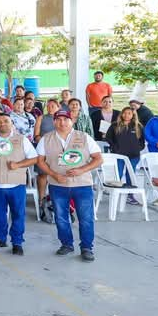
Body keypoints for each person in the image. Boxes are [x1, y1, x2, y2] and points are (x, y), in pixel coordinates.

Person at [36, 109, 102, 262]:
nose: (62, 122)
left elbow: (98, 159)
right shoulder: (46, 139)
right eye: (59, 119)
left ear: (72, 121)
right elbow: (40, 161)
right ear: (54, 121)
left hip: (82, 184)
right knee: (60, 217)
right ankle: (66, 244)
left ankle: (86, 247)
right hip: (57, 184)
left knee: (86, 218)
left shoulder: (84, 137)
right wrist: (54, 175)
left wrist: (82, 169)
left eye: (66, 119)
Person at [0, 112, 38, 255]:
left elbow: (34, 158)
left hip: (16, 184)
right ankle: (0, 239)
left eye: (6, 121)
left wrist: (19, 164)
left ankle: (17, 242)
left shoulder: (21, 139)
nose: (2, 123)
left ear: (11, 123)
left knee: (18, 214)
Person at [105, 106, 144, 206]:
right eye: (125, 113)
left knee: (130, 174)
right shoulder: (115, 125)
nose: (126, 115)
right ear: (121, 114)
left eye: (129, 113)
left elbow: (142, 141)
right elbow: (109, 138)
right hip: (119, 155)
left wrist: (137, 148)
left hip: (133, 156)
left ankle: (130, 195)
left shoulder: (137, 126)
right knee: (118, 174)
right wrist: (115, 148)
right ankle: (115, 193)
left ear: (133, 115)